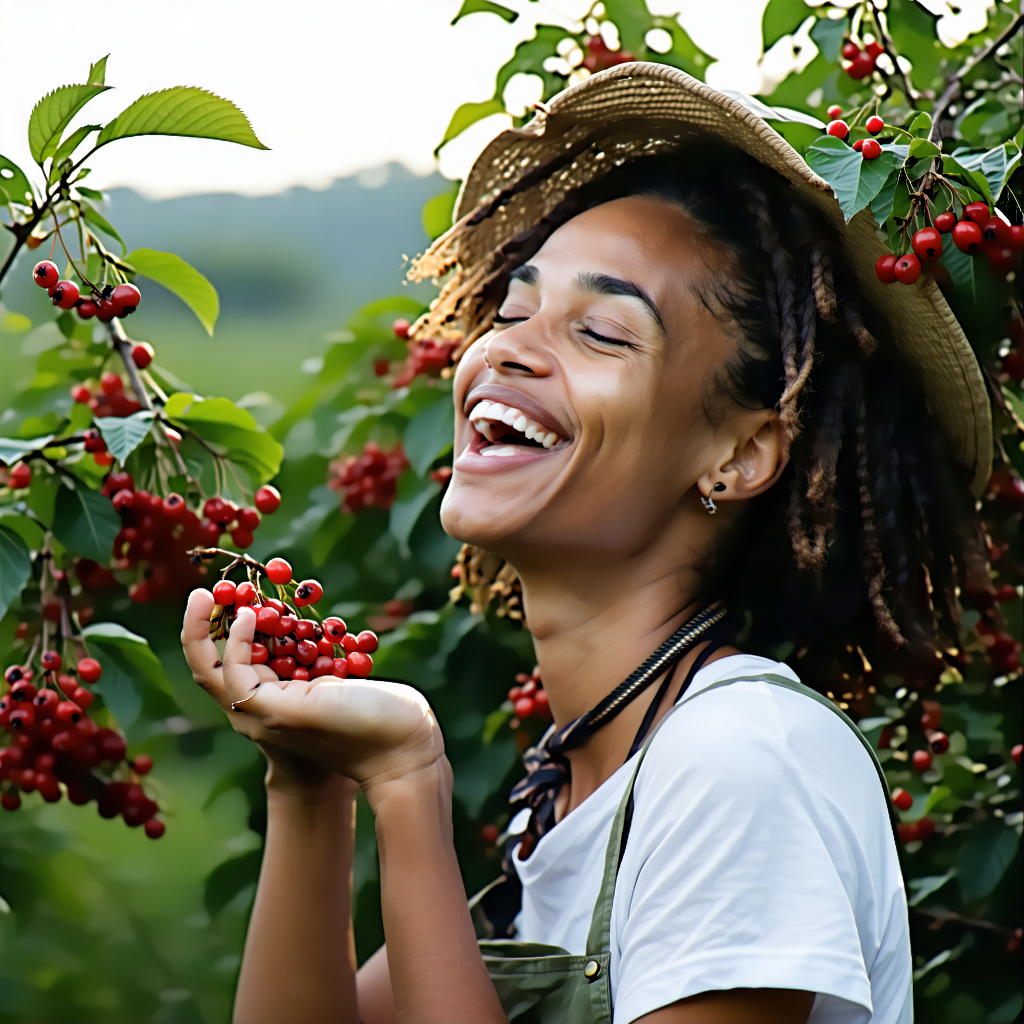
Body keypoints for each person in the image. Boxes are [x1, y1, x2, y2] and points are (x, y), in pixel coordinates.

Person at [181, 63, 992, 1024]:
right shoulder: (572, 801)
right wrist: (309, 784)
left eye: (601, 332)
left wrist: (408, 784)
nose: (504, 348)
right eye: (512, 312)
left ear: (739, 453)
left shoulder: (740, 762)